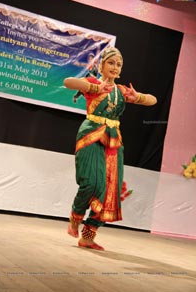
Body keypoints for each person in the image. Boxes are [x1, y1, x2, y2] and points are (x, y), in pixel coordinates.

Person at [63, 47, 157, 251]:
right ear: (101, 65)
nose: (115, 67)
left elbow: (153, 100)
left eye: (119, 64)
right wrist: (96, 89)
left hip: (114, 141)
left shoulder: (122, 90)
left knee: (109, 191)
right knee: (90, 183)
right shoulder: (93, 83)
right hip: (91, 135)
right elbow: (68, 82)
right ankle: (75, 218)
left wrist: (137, 96)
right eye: (111, 63)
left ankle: (88, 236)